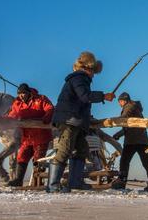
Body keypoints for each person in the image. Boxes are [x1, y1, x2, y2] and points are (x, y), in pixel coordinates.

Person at [47, 51, 115, 193]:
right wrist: (103, 96)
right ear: (88, 68)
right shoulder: (79, 78)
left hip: (77, 121)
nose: (93, 75)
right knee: (65, 150)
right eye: (93, 71)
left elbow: (81, 101)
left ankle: (75, 182)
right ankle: (52, 185)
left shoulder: (81, 79)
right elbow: (85, 96)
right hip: (69, 121)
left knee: (81, 150)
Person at [6, 83, 54, 187]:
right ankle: (18, 180)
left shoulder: (40, 99)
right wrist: (2, 119)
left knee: (38, 159)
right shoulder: (17, 103)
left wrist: (47, 117)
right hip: (26, 138)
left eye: (23, 93)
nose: (21, 95)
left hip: (41, 137)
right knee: (21, 157)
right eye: (19, 93)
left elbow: (50, 108)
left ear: (28, 92)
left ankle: (37, 182)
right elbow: (12, 115)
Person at [111, 92, 148, 191]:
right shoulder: (135, 107)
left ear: (123, 100)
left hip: (132, 141)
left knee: (124, 161)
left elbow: (123, 119)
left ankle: (121, 181)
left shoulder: (129, 106)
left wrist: (112, 121)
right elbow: (129, 126)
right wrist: (118, 135)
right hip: (142, 140)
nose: (119, 104)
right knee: (146, 162)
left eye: (119, 102)